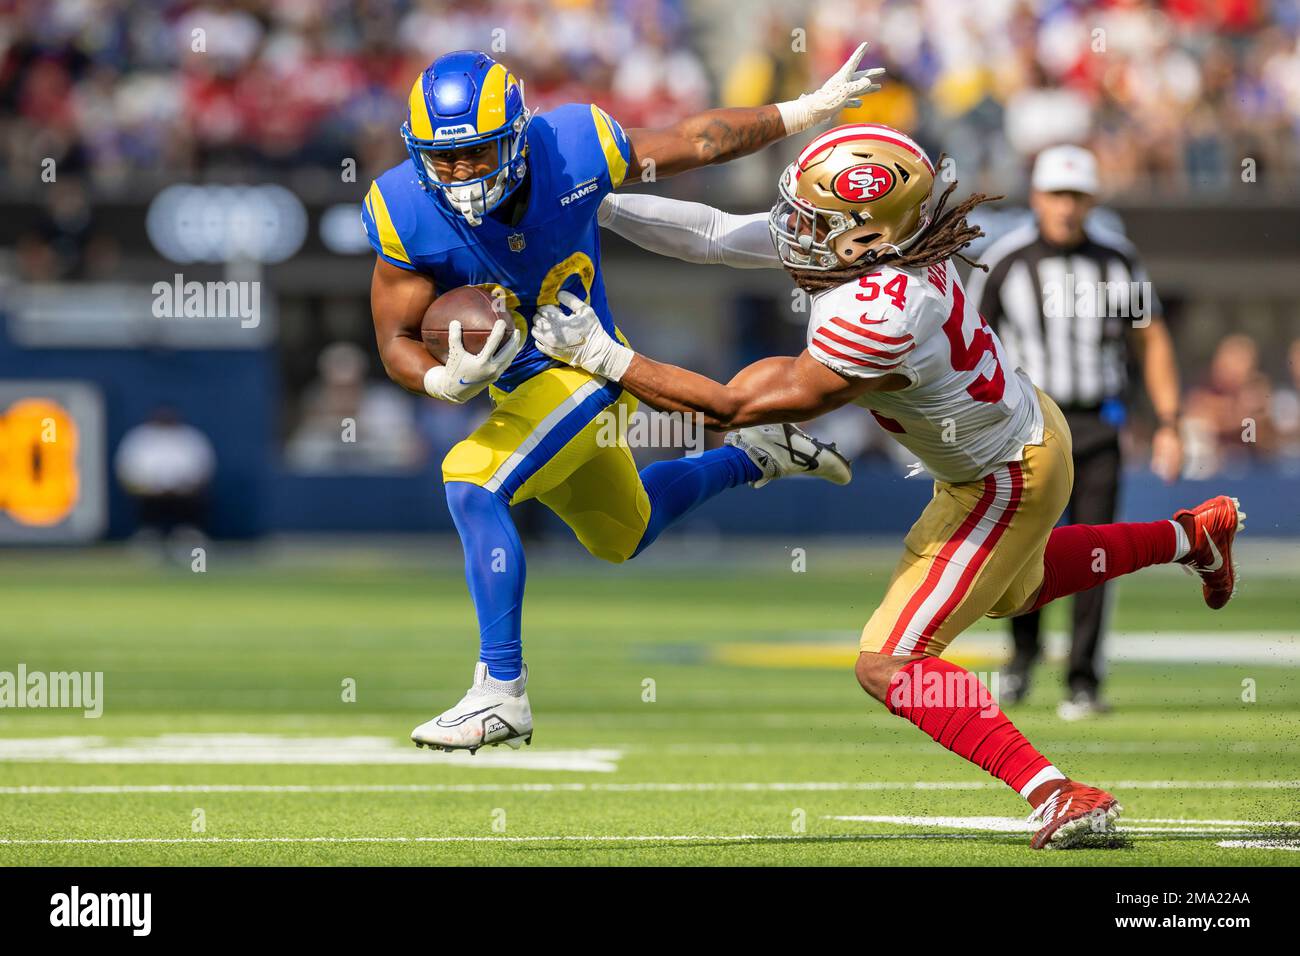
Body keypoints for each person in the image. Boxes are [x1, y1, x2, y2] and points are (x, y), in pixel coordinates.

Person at [535, 124, 1245, 849]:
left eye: (817, 220)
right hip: (1024, 435)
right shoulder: (894, 246)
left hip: (1004, 478)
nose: (796, 230)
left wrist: (604, 355)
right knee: (1014, 590)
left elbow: (732, 407)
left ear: (870, 236)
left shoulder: (879, 312)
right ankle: (1191, 536)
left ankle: (1059, 792)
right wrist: (594, 207)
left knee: (889, 660)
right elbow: (716, 234)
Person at [363, 48, 882, 752]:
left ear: (515, 137)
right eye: (441, 159)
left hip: (590, 369)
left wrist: (802, 112)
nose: (457, 176)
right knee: (623, 535)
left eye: (476, 155)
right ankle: (754, 458)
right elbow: (394, 335)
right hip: (529, 391)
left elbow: (698, 140)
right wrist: (439, 380)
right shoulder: (402, 205)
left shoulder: (573, 148)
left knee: (471, 482)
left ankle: (500, 691)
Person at [964, 145, 1184, 718]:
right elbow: (969, 343)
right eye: (1057, 194)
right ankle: (1022, 655)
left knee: (1094, 551)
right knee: (1023, 547)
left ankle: (1083, 677)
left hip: (1096, 422)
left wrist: (1168, 421)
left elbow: (1150, 337)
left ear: (1091, 200)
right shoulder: (1005, 260)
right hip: (1027, 425)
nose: (1066, 207)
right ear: (1036, 197)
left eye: (1077, 195)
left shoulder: (1117, 262)